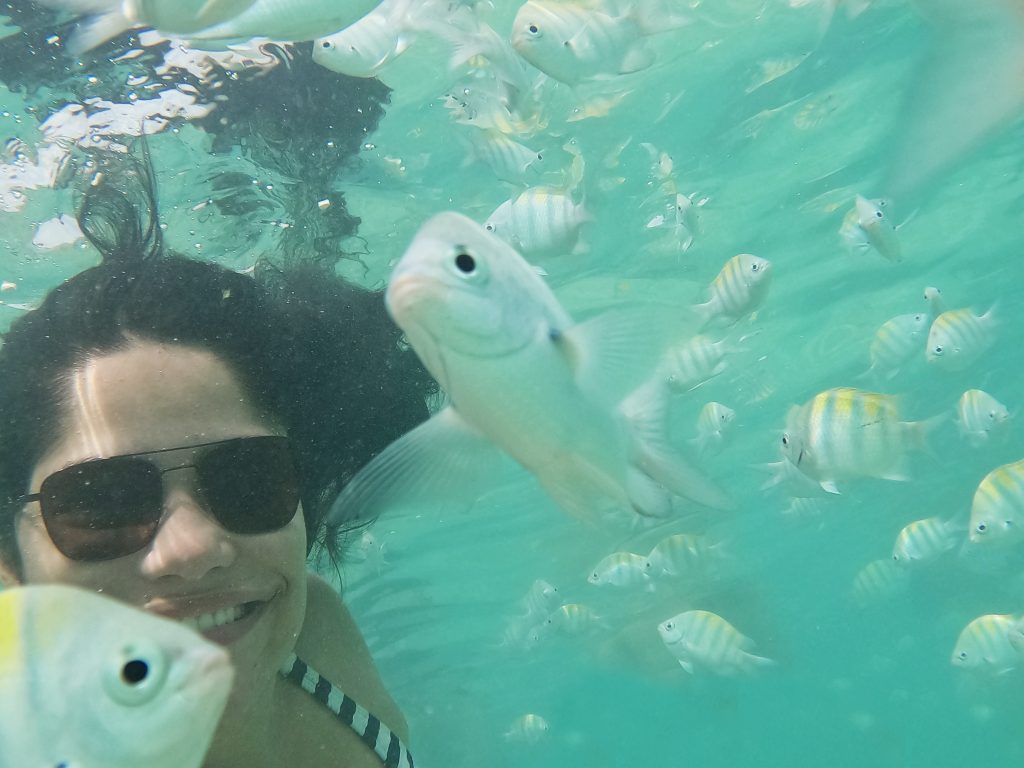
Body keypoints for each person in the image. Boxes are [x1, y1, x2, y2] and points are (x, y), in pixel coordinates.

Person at [0, 150, 433, 768]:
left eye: (248, 478)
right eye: (103, 502)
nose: (194, 548)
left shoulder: (313, 634)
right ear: (7, 564)